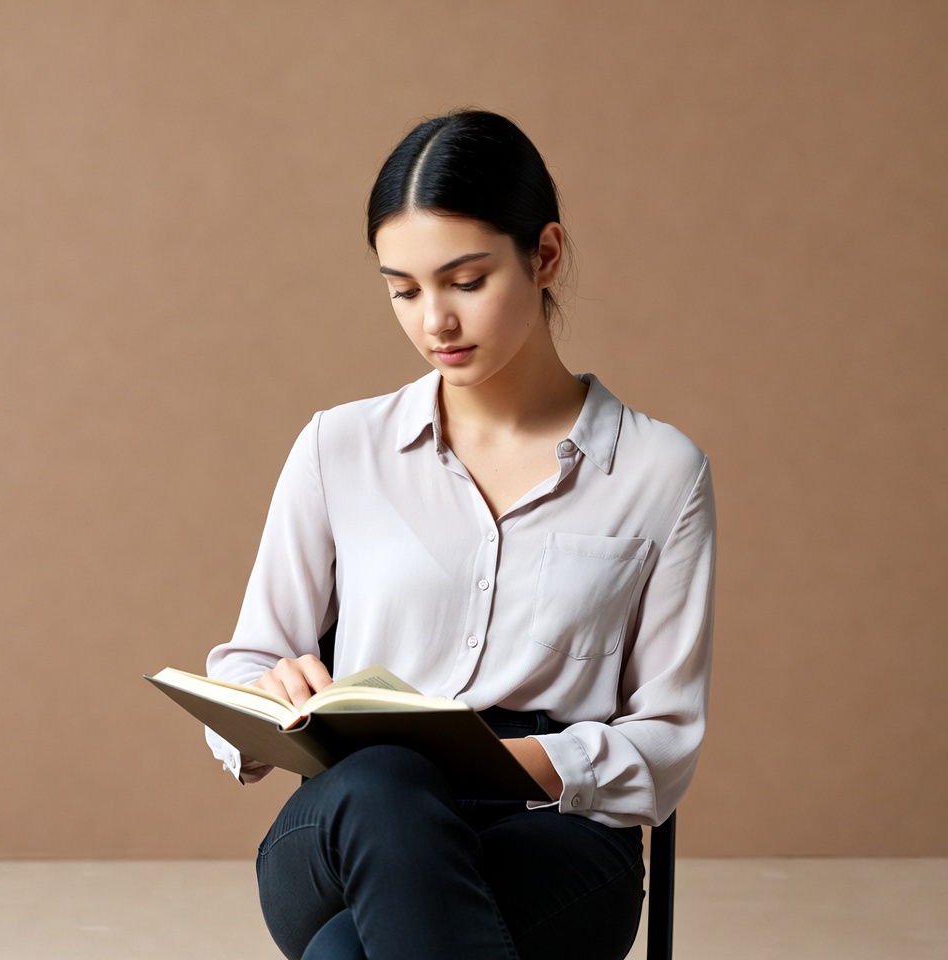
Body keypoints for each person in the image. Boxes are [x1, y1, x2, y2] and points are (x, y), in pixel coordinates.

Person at [205, 109, 715, 960]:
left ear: (544, 254)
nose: (433, 320)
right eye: (403, 289)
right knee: (388, 781)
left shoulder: (661, 472)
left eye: (465, 281)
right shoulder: (340, 447)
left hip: (553, 833)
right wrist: (270, 697)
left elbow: (666, 741)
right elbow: (247, 663)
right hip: (341, 824)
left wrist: (512, 764)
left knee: (347, 952)